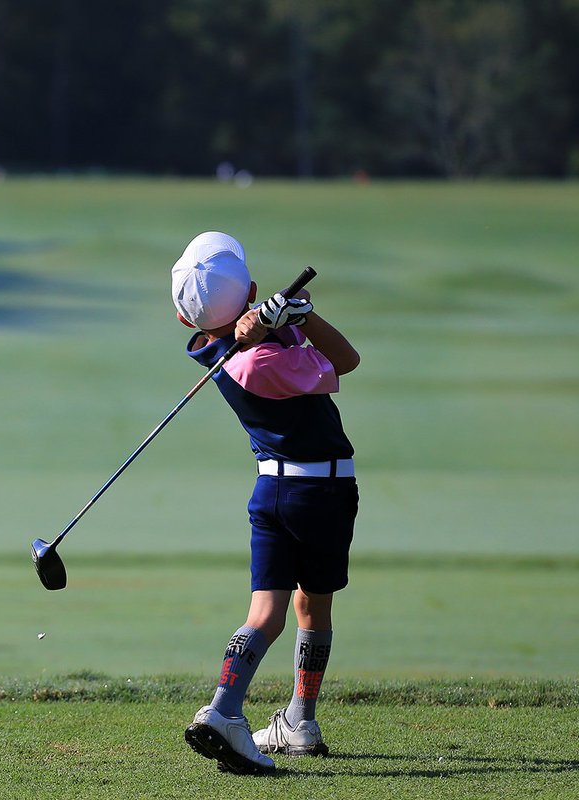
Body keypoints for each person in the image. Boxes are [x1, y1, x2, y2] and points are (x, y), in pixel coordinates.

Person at [171, 232, 360, 775]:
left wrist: (263, 325)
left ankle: (239, 711)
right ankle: (282, 715)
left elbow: (237, 337)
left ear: (187, 321)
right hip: (321, 489)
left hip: (269, 492)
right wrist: (300, 319)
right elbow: (346, 359)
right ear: (251, 289)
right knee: (314, 606)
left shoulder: (212, 350)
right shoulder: (257, 364)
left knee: (269, 612)